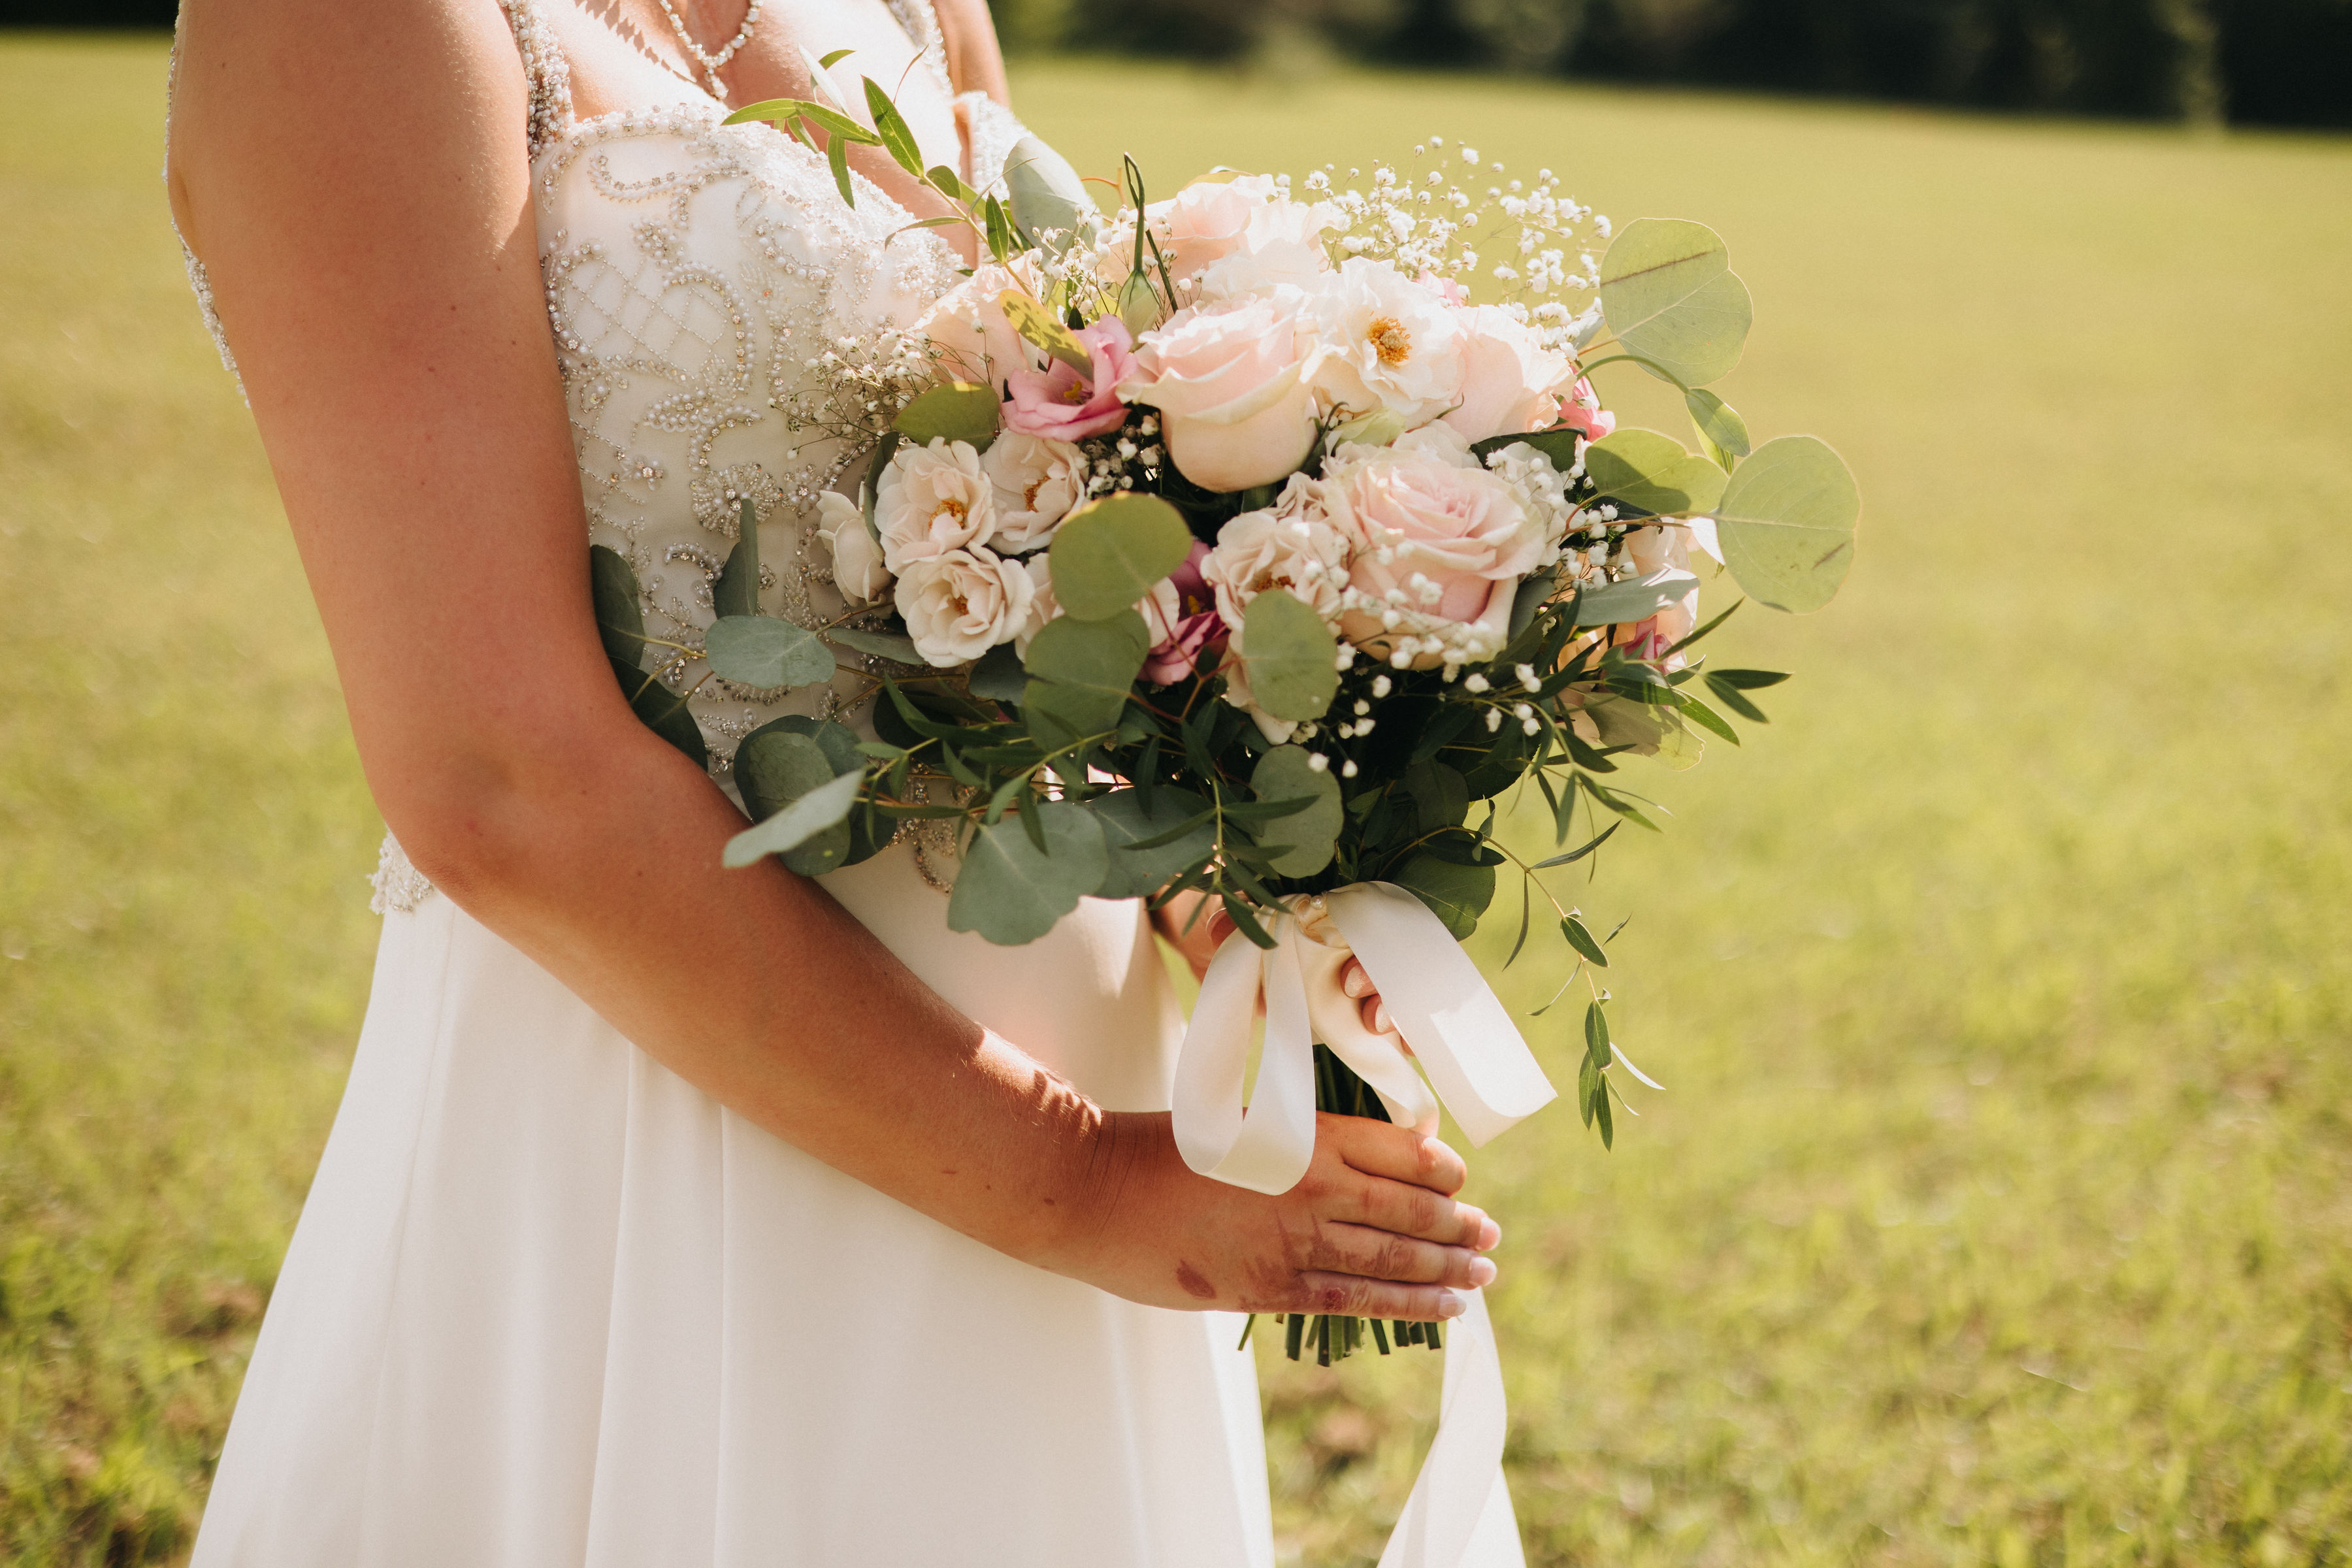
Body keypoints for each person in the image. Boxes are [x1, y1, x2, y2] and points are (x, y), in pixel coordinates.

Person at [164, 1, 1499, 1560]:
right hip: (665, 1118)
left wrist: (1216, 868)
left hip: (1086, 1050)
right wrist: (1077, 1181)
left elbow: (1046, 499)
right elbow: (496, 780)